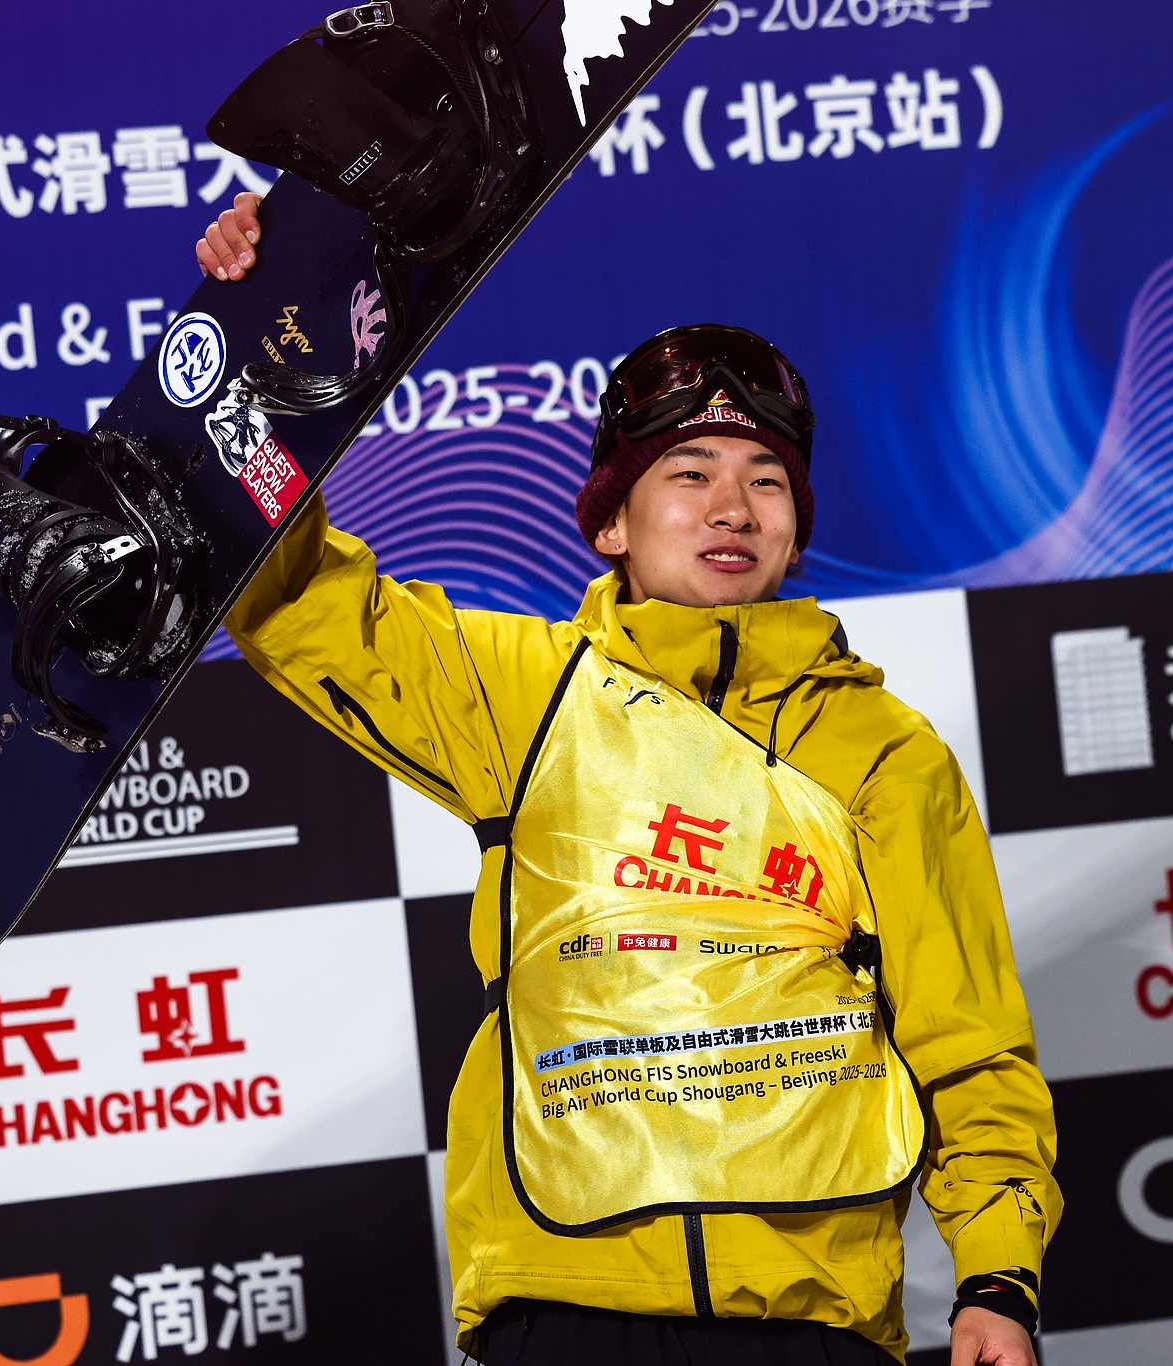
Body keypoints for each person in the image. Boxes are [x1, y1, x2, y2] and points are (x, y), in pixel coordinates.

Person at [200, 193, 1060, 1366]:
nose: (728, 506)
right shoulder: (523, 693)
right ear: (611, 523)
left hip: (805, 1322)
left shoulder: (886, 754)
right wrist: (256, 345)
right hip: (563, 1307)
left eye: (765, 480)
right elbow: (297, 596)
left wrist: (997, 1280)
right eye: (688, 472)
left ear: (796, 529)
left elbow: (967, 1043)